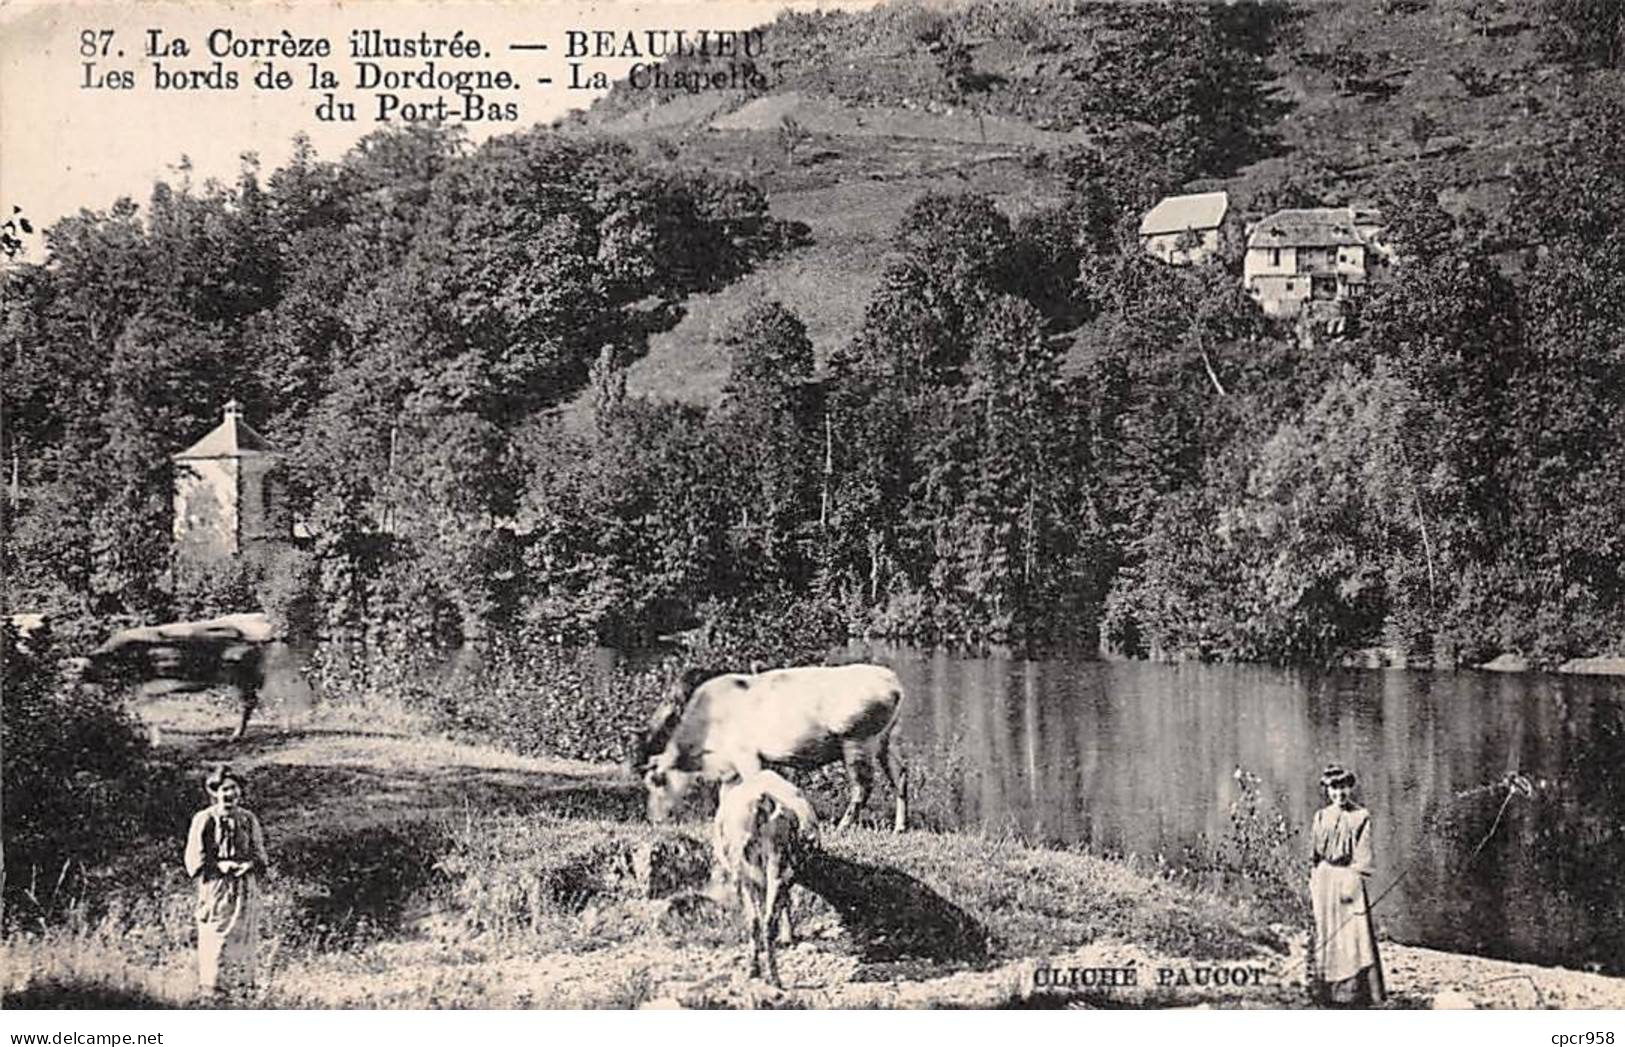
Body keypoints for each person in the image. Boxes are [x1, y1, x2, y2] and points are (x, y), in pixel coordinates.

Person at [184, 764, 270, 996]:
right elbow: (195, 856)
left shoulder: (248, 819)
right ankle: (214, 991)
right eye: (224, 790)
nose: (229, 794)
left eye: (233, 789)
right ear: (215, 792)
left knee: (244, 937)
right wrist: (219, 865)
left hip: (244, 887)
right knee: (217, 936)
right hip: (217, 887)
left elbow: (259, 853)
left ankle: (242, 990)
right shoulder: (204, 818)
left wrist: (249, 864)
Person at [1309, 764, 1386, 1006]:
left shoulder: (1360, 816)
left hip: (1348, 880)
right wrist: (1313, 878)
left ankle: (1355, 992)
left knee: (1354, 936)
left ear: (1350, 788)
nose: (1339, 794)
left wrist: (1350, 885)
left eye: (1343, 787)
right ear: (1327, 790)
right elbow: (1313, 854)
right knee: (1327, 933)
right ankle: (1325, 991)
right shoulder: (1320, 816)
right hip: (1324, 880)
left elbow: (1363, 858)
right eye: (1334, 788)